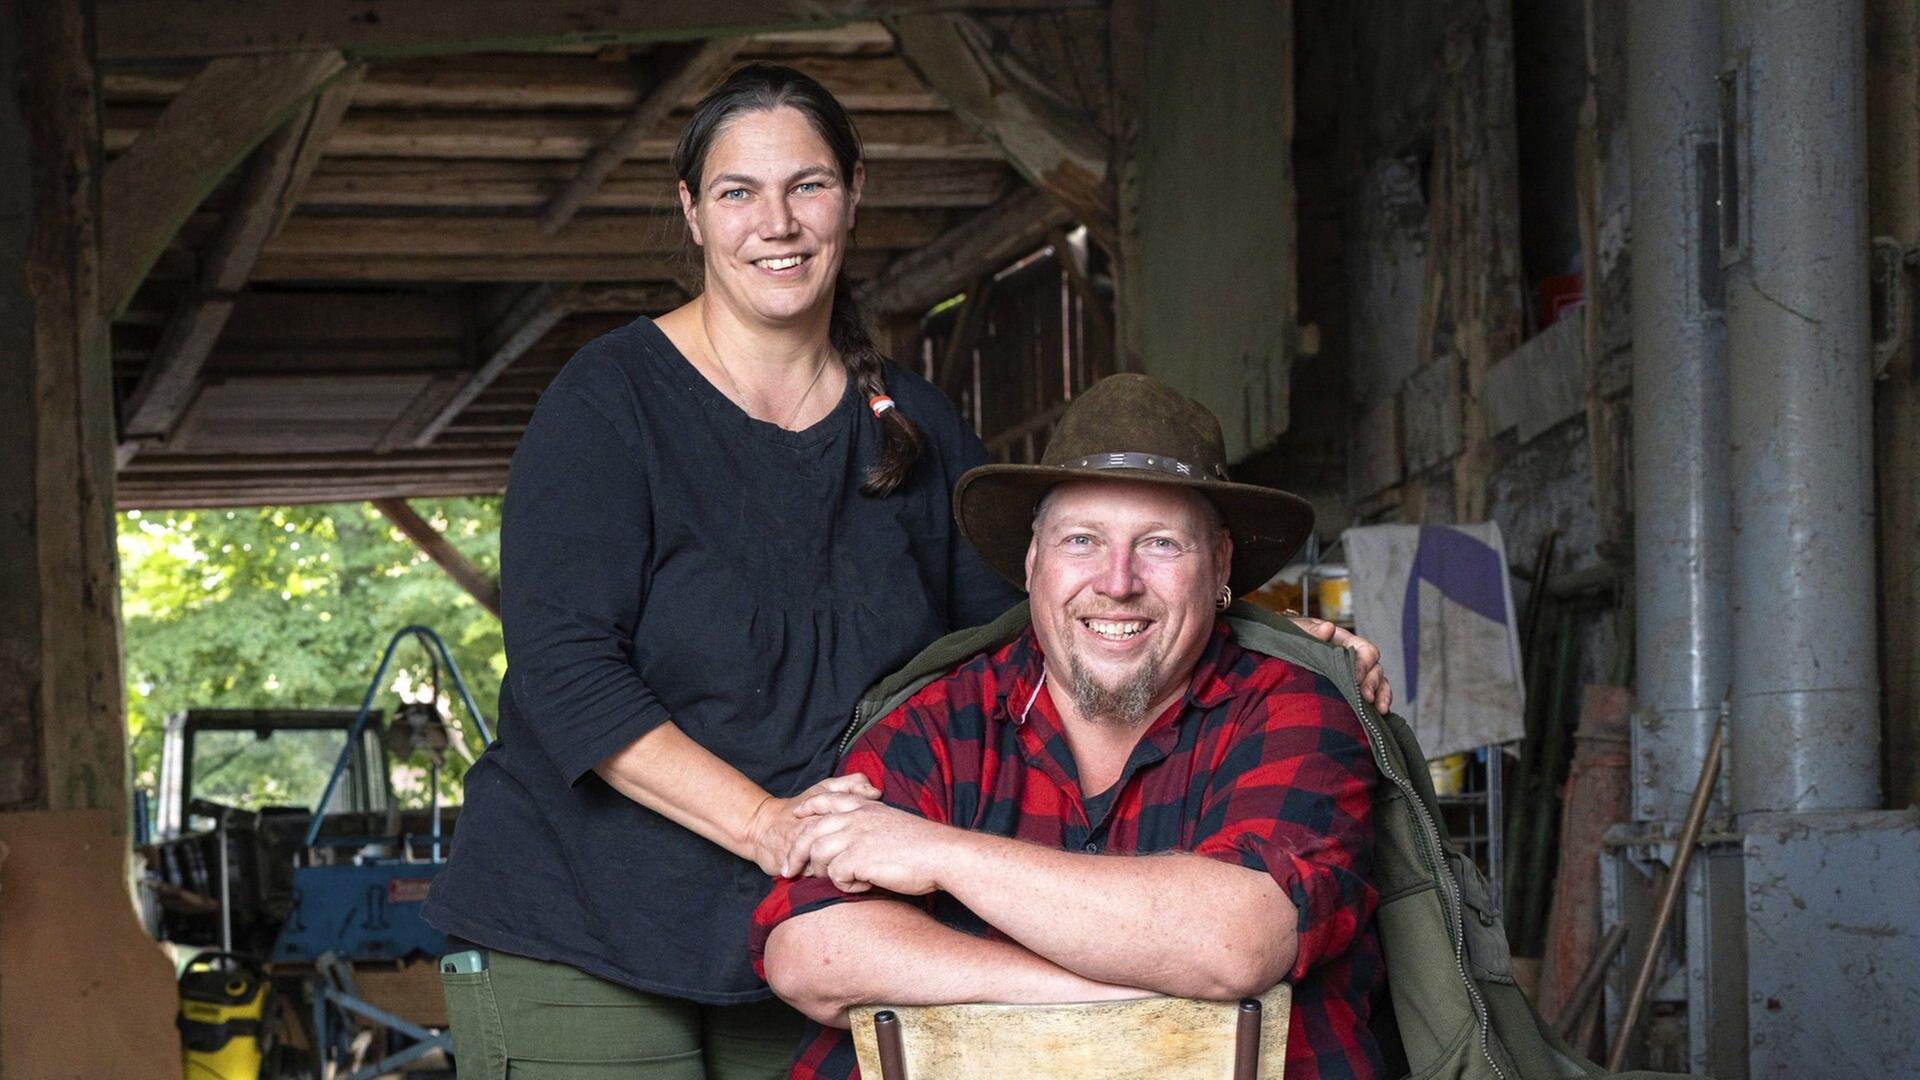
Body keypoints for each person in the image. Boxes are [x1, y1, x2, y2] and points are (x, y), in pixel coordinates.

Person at [425, 64, 1388, 1078]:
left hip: (818, 929)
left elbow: (1044, 628)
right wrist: (770, 825)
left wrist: (1275, 636)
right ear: (692, 215)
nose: (777, 222)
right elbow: (564, 675)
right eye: (737, 192)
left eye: (808, 185)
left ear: (852, 195)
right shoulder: (609, 405)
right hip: (587, 923)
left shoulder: (915, 427)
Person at [753, 375, 1385, 1080]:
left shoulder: (1297, 710)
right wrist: (1110, 990)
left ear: (1221, 567)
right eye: (1082, 540)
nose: (1117, 581)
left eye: (1160, 545)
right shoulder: (934, 722)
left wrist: (940, 854)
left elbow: (1236, 943)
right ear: (1033, 562)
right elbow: (812, 953)